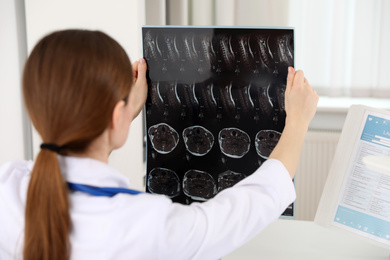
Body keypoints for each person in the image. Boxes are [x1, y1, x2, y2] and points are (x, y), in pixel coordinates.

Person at [0, 29, 318, 260]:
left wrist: (121, 116)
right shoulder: (145, 226)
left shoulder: (8, 187)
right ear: (115, 116)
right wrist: (298, 122)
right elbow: (253, 203)